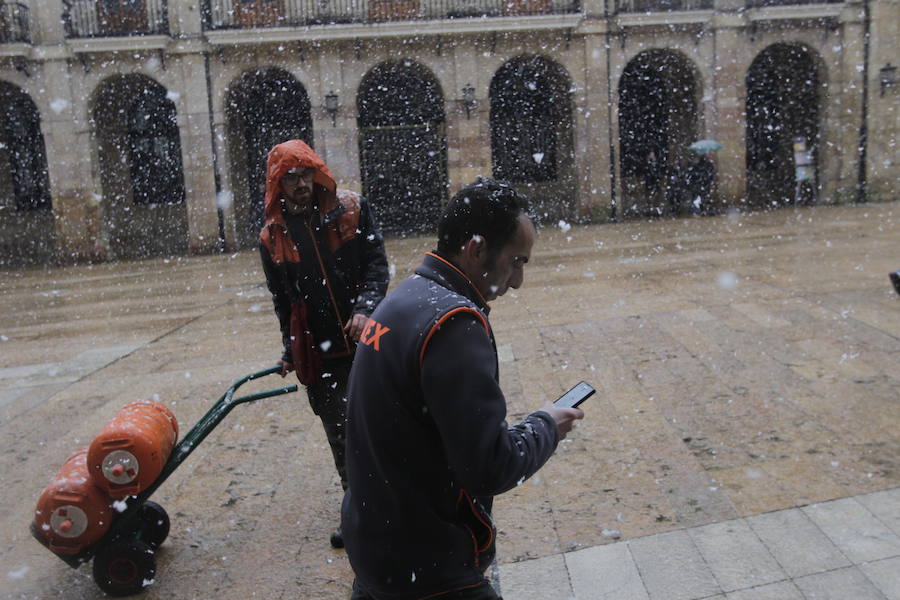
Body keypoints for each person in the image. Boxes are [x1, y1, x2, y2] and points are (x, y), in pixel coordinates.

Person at [341, 178, 585, 599]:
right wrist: (545, 425)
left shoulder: (405, 298)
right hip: (428, 566)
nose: (518, 281)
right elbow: (488, 467)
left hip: (377, 548)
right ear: (476, 249)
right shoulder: (453, 322)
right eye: (517, 261)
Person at [259, 139, 388, 549]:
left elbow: (376, 266)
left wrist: (366, 307)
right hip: (319, 351)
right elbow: (283, 300)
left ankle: (395, 506)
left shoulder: (351, 209)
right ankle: (361, 511)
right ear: (277, 185)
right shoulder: (271, 237)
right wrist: (288, 348)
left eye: (305, 175)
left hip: (369, 338)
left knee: (381, 424)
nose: (300, 185)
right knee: (340, 433)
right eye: (290, 178)